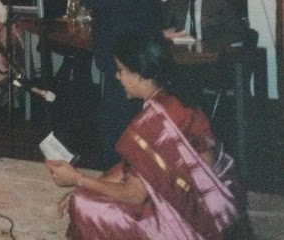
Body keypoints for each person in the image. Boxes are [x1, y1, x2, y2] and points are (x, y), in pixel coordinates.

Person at [45, 32, 242, 240]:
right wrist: (90, 186)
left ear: (139, 74)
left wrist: (78, 180)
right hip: (218, 207)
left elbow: (134, 196)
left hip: (193, 222)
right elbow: (133, 165)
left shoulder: (151, 122)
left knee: (83, 205)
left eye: (120, 70)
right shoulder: (174, 97)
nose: (117, 77)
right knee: (92, 192)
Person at [51, 0, 160, 167]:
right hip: (118, 46)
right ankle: (116, 172)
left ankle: (120, 175)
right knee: (114, 117)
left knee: (118, 118)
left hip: (127, 49)